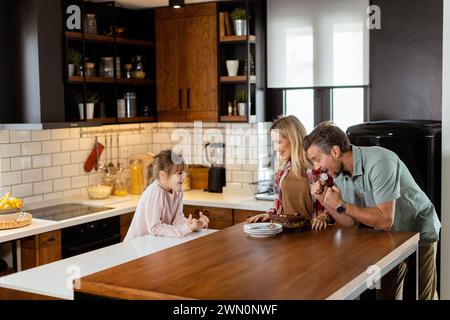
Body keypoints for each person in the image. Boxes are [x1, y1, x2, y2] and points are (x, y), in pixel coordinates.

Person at [303, 121, 441, 300]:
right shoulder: (340, 175)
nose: (316, 167)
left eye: (316, 158)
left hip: (418, 226)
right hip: (388, 236)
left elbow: (385, 220)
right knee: (386, 295)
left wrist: (343, 204)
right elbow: (350, 223)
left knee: (424, 295)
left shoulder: (380, 162)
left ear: (335, 151)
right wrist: (325, 200)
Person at [247, 115, 330, 230]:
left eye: (279, 142)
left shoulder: (318, 167)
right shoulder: (281, 170)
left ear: (293, 139)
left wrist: (324, 216)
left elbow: (333, 204)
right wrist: (269, 215)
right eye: (274, 143)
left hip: (313, 233)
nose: (276, 148)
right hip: (285, 233)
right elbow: (279, 206)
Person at [124, 150, 208, 241]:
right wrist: (185, 229)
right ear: (163, 175)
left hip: (152, 244)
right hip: (136, 247)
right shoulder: (155, 192)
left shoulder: (177, 191)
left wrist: (193, 225)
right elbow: (154, 228)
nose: (184, 176)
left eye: (183, 172)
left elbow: (177, 218)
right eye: (179, 173)